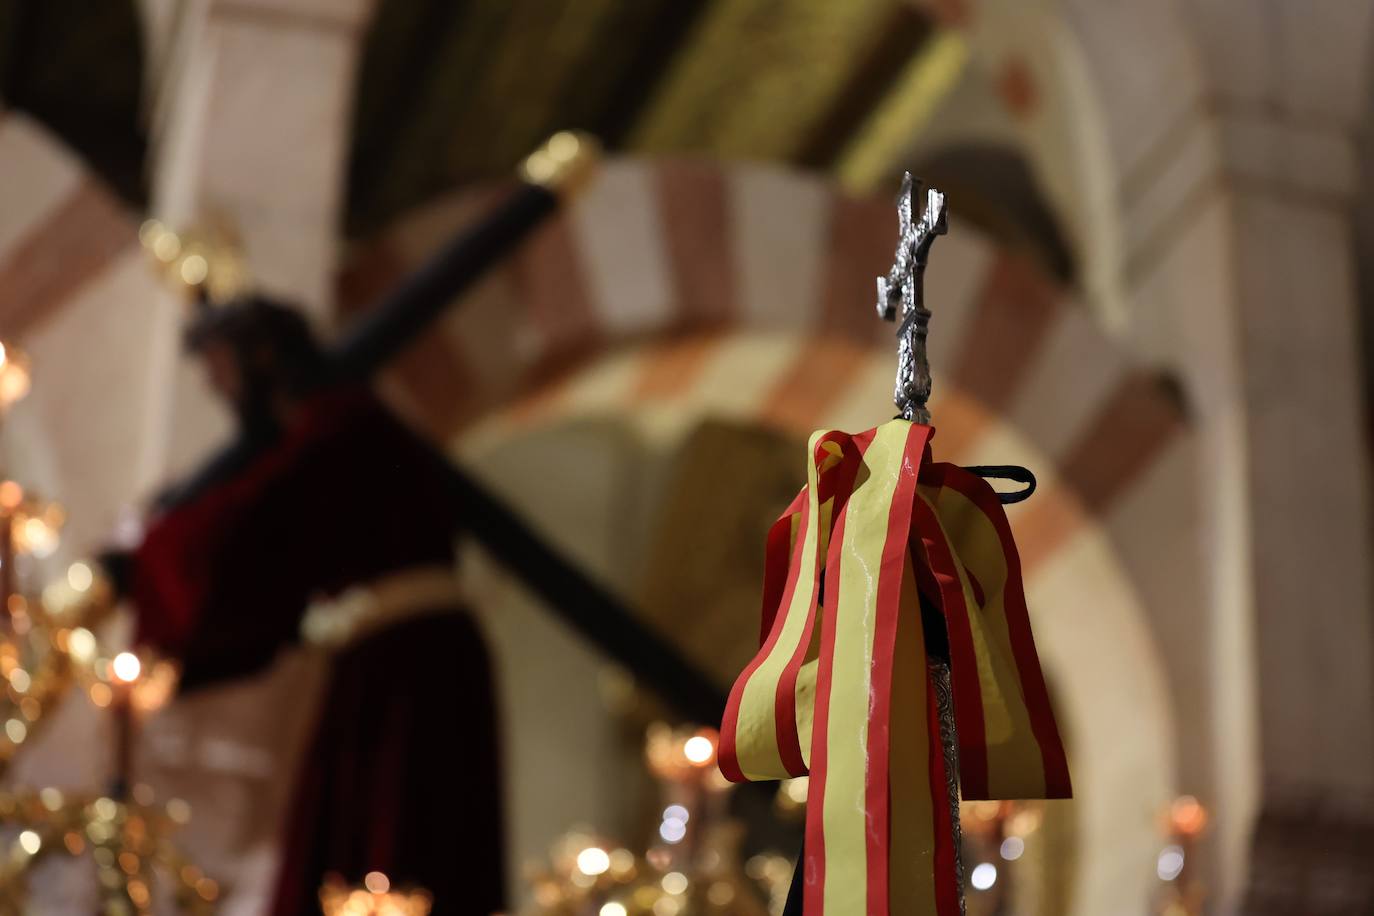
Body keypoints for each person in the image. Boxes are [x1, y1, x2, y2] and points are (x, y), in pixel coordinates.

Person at [122, 295, 505, 915]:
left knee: (396, 844)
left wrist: (145, 556)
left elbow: (258, 525)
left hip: (406, 673)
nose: (218, 387)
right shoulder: (338, 424)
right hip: (390, 662)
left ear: (263, 357)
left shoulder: (341, 425)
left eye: (221, 367)